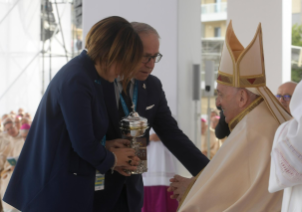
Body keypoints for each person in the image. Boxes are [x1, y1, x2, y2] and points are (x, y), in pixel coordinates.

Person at [3, 16, 144, 212]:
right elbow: (83, 144)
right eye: (125, 63)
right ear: (111, 54)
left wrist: (108, 146)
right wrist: (113, 159)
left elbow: (72, 136)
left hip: (66, 186)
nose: (123, 73)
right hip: (54, 190)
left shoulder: (88, 76)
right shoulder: (78, 79)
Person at [169, 21, 291, 211]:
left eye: (220, 94)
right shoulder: (262, 119)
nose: (217, 103)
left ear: (242, 97)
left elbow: (225, 192)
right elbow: (234, 183)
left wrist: (192, 191)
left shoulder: (252, 129)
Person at [95, 22, 209, 212]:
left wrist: (211, 174)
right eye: (144, 57)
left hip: (131, 191)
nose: (150, 64)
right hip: (97, 188)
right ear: (126, 51)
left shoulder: (153, 86)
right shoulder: (99, 83)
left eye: (155, 57)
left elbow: (172, 135)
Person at [269, 80, 302, 211]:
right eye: (278, 96)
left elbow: (282, 177)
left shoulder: (288, 131)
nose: (282, 100)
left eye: (288, 96)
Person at [142, 131, 178, 212]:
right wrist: (147, 138)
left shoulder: (169, 119)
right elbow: (134, 140)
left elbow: (176, 137)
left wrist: (163, 136)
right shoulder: (138, 120)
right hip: (146, 165)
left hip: (164, 164)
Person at [0, 118, 25, 212]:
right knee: (6, 182)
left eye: (11, 127)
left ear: (16, 125)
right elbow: (4, 157)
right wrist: (10, 167)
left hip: (22, 169)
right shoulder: (7, 141)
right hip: (11, 170)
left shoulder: (24, 137)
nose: (10, 130)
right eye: (7, 129)